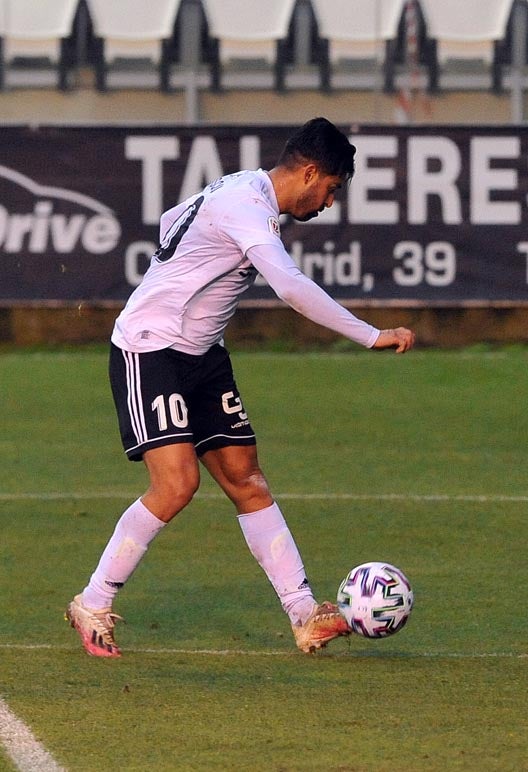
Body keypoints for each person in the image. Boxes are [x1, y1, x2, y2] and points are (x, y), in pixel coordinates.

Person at [66, 117, 415, 657]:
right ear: (310, 172)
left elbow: (169, 222)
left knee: (246, 479)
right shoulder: (246, 206)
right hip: (150, 347)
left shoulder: (240, 190)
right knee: (177, 484)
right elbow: (292, 288)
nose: (329, 202)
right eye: (332, 189)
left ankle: (304, 613)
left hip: (204, 355)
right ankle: (92, 601)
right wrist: (370, 335)